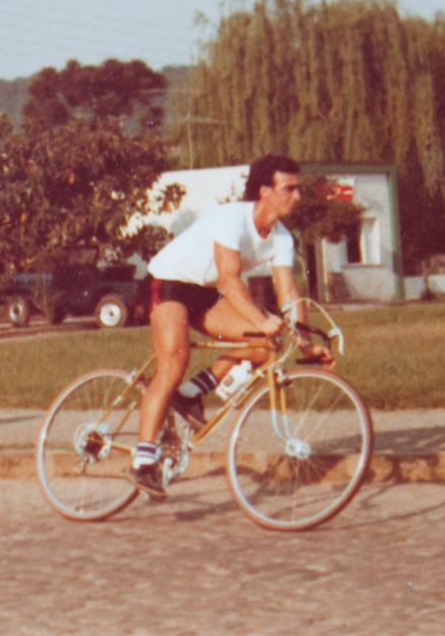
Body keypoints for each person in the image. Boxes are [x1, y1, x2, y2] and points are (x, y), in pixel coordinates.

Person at [130, 152, 323, 499]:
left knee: (264, 347)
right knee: (174, 360)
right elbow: (229, 281)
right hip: (170, 282)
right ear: (264, 191)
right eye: (289, 189)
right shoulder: (231, 219)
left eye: (298, 189)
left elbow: (289, 291)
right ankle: (143, 462)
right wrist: (262, 319)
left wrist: (306, 343)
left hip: (203, 294)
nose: (297, 196)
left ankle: (189, 395)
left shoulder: (281, 237)